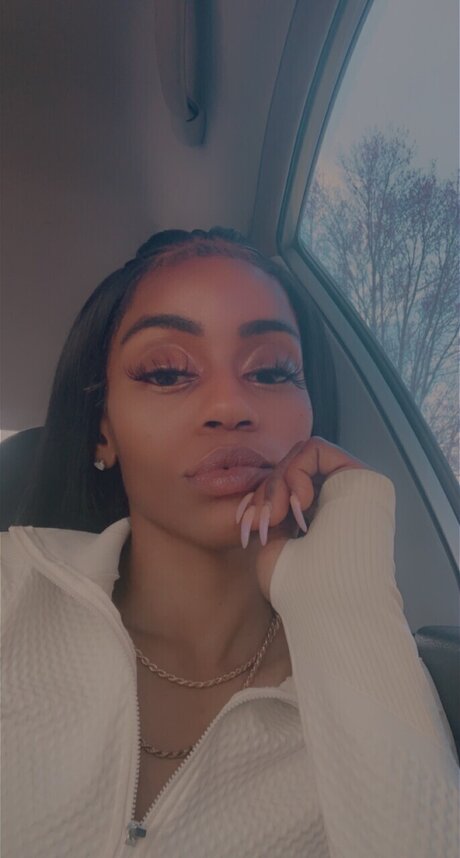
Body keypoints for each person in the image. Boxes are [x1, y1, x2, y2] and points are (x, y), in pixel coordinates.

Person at [2, 228, 458, 858]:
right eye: (167, 372)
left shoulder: (367, 677)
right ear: (103, 432)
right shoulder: (12, 587)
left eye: (271, 370)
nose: (230, 404)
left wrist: (346, 602)